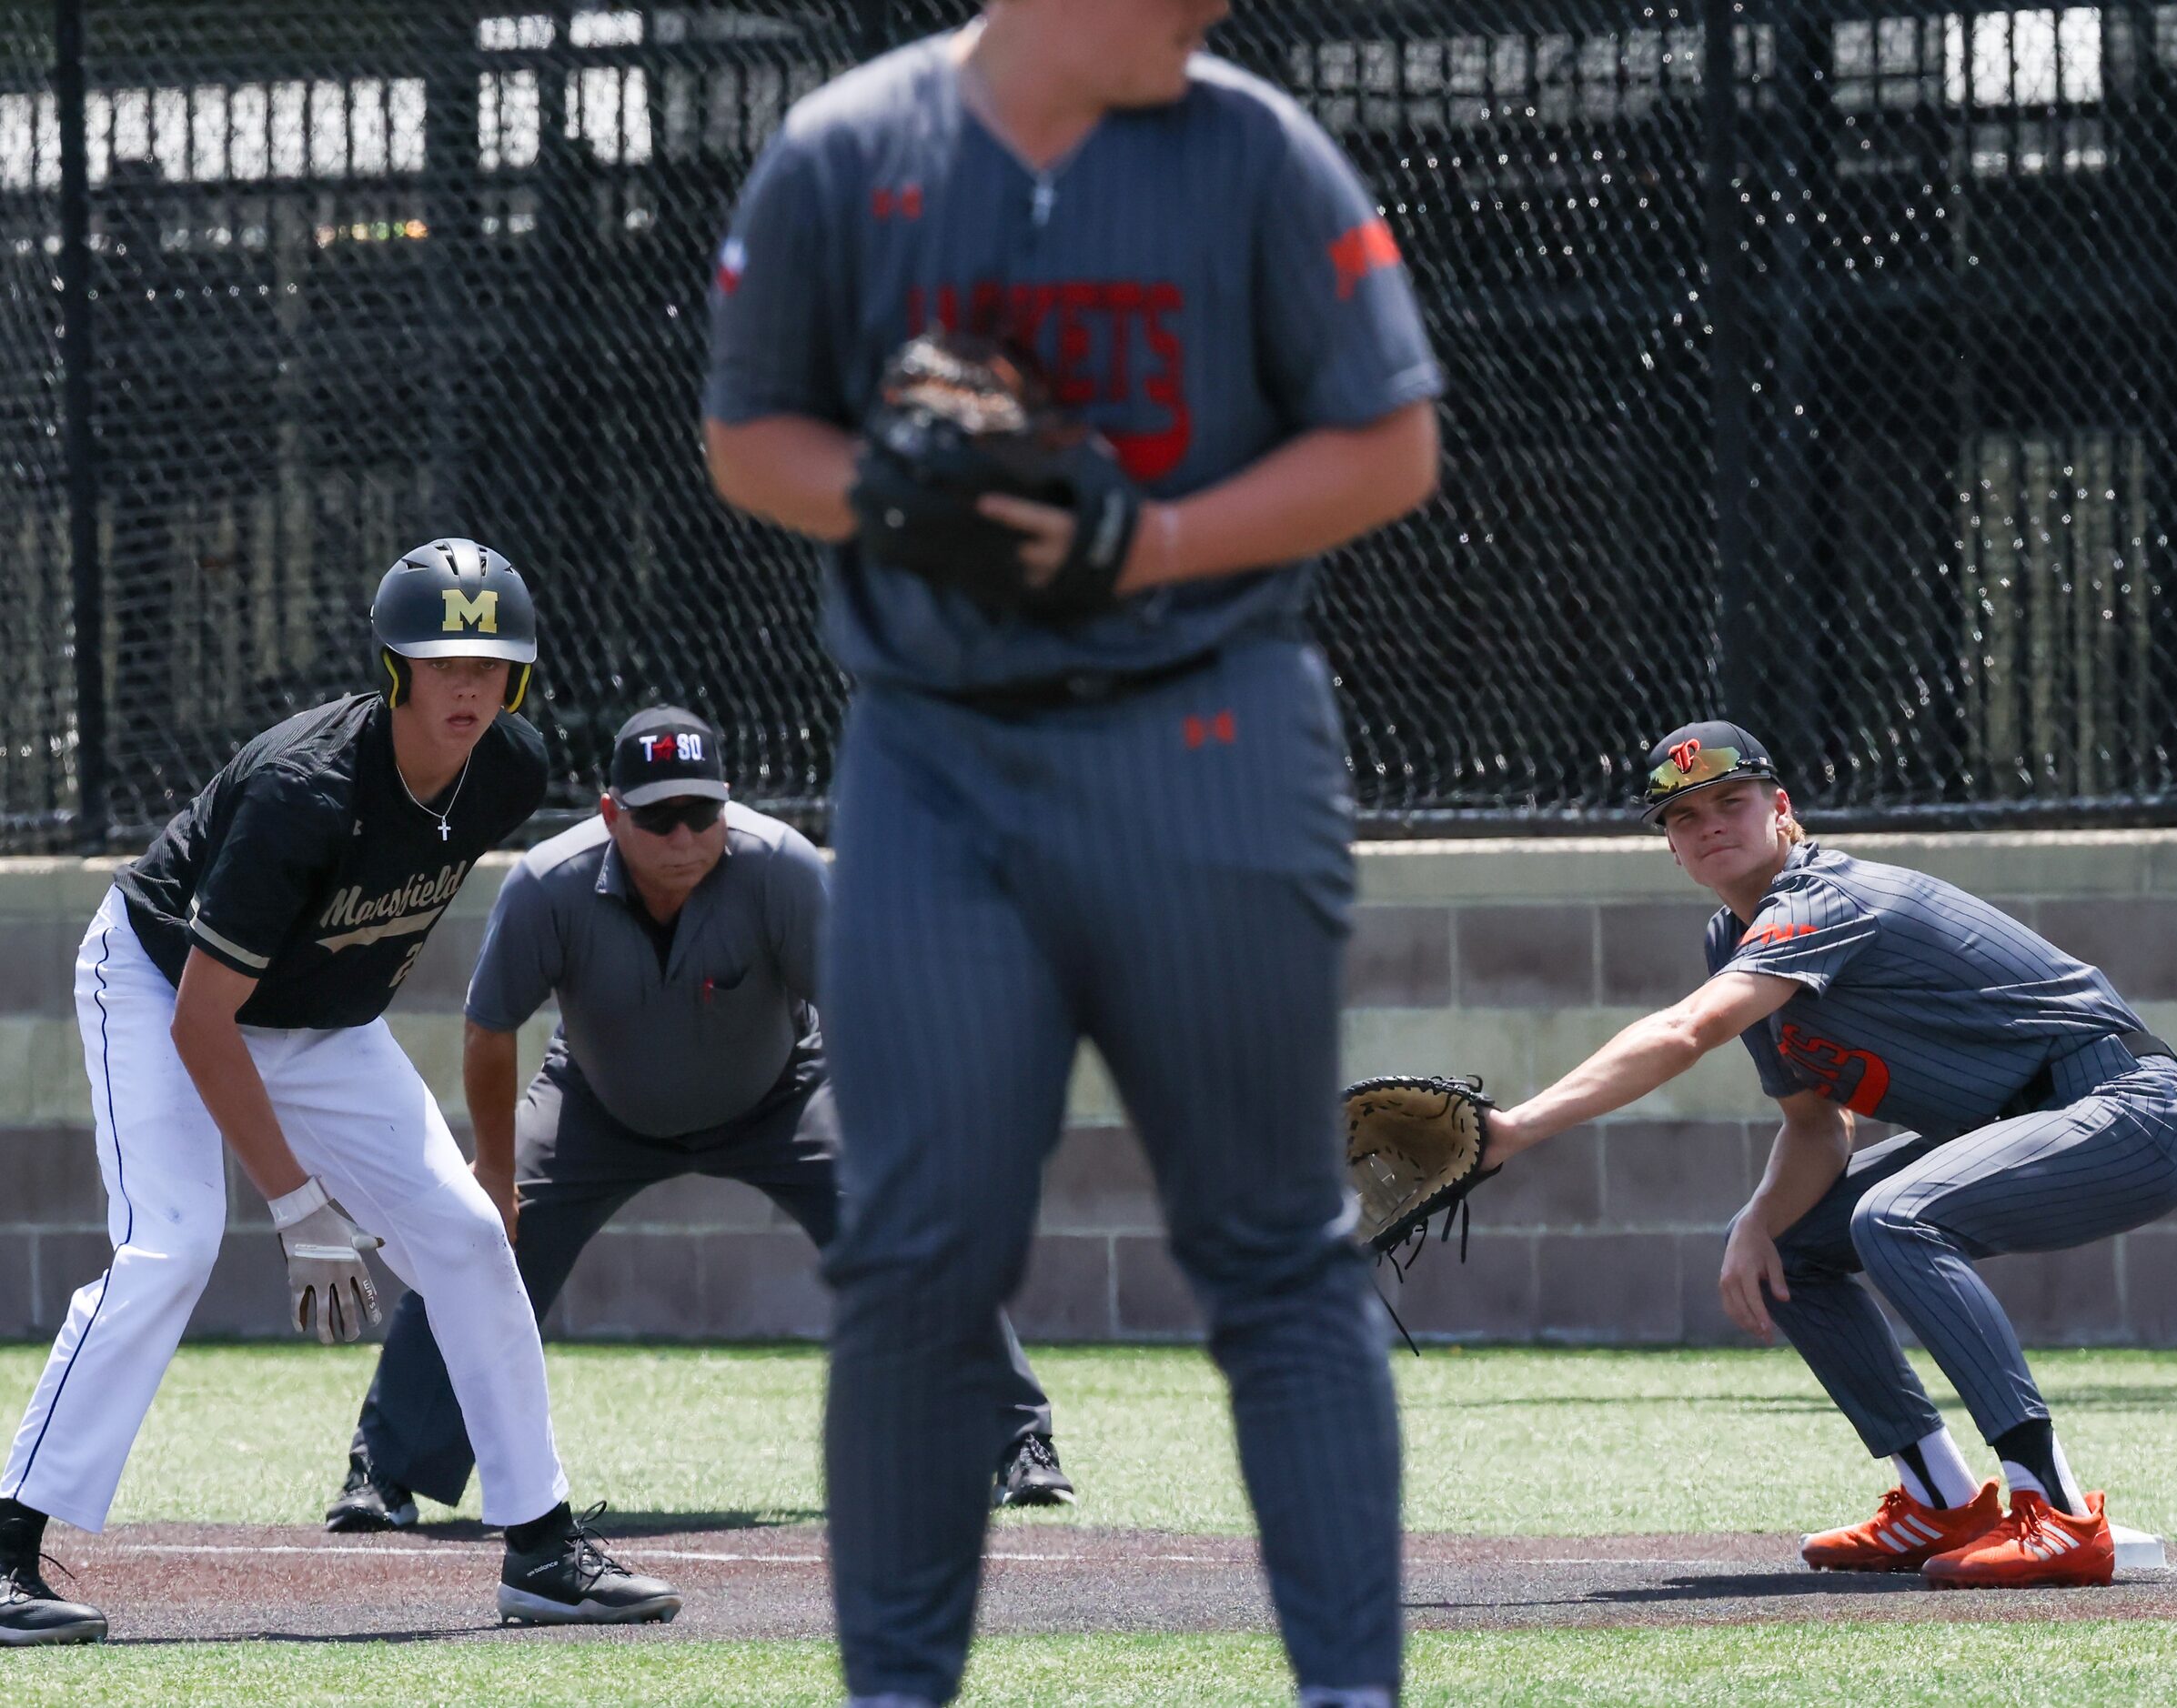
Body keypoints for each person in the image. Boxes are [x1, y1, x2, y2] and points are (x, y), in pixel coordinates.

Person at [700, 0, 1444, 1700]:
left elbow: (1390, 442)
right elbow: (753, 435)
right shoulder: (846, 151)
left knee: (1271, 1239)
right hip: (936, 763)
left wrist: (1155, 535)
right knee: (914, 1251)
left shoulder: (1255, 150)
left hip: (1208, 731)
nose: (1212, 9)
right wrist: (891, 494)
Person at [0, 539, 680, 1646]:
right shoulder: (300, 789)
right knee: (172, 1243)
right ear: (394, 668)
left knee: (465, 1237)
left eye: (490, 665)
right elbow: (202, 1023)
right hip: (162, 980)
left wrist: (458, 1174)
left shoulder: (508, 767)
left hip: (316, 1017)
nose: (468, 687)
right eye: (440, 662)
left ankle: (543, 1550)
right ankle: (6, 1551)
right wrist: (297, 1203)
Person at [1467, 719, 2177, 1590]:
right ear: (1669, 849)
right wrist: (1758, 1221)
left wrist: (1513, 1129)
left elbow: (1685, 1029)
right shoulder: (1729, 942)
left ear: (1781, 810)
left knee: (1896, 1216)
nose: (1709, 823)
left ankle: (2056, 1513)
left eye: (1730, 801)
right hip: (2014, 1123)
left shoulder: (1823, 895)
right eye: (1683, 816)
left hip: (2123, 1108)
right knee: (1794, 1248)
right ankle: (1938, 1497)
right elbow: (1817, 1126)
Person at [324, 705, 1072, 1533]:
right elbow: (490, 1026)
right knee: (472, 1237)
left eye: (701, 813)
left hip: (784, 1095)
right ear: (611, 815)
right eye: (658, 817)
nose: (684, 837)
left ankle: (1018, 1444)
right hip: (594, 1105)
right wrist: (495, 1175)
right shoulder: (549, 882)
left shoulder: (780, 866)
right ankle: (383, 1471)